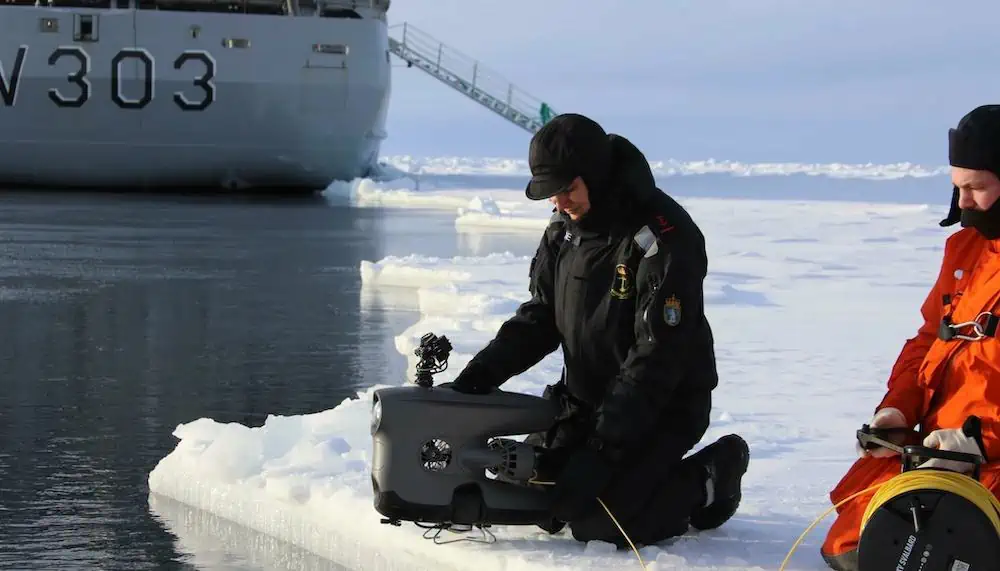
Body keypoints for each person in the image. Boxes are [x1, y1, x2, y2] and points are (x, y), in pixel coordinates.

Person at [447, 112, 751, 547]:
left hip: (661, 406)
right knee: (535, 494)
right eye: (551, 193)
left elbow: (656, 358)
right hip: (586, 402)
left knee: (604, 525)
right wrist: (478, 376)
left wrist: (602, 451)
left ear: (597, 174)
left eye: (567, 189)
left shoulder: (663, 236)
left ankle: (712, 475)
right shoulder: (564, 229)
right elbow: (541, 317)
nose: (559, 203)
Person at [820, 104, 1000, 571]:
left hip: (984, 456)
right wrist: (898, 411)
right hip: (942, 454)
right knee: (853, 543)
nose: (963, 203)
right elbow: (928, 341)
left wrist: (981, 445)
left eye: (976, 188)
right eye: (957, 187)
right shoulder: (966, 252)